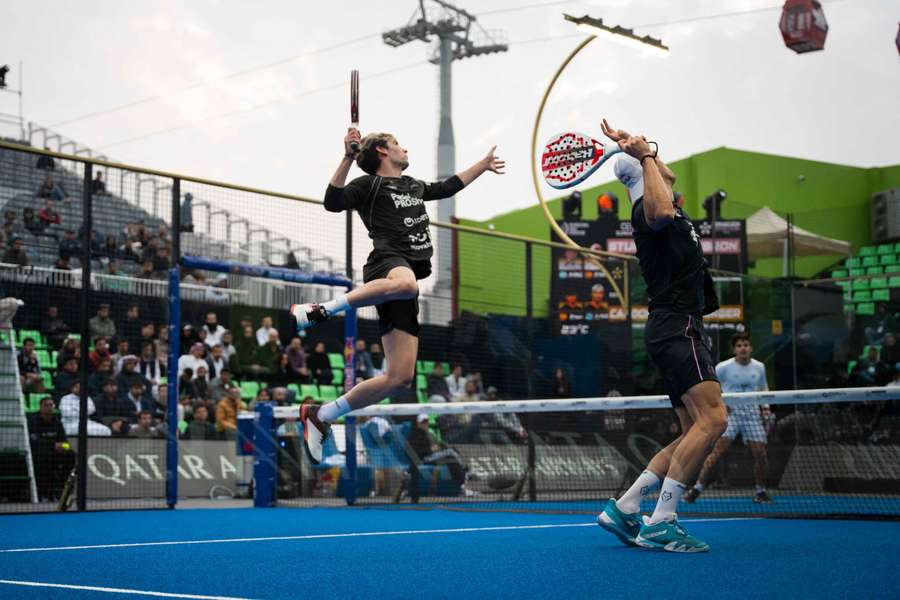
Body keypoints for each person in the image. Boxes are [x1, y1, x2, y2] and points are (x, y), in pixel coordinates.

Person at [288, 127, 504, 464]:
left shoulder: (413, 185)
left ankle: (322, 415)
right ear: (383, 153)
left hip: (407, 277)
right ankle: (322, 309)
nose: (405, 148)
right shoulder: (369, 185)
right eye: (398, 144)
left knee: (399, 377)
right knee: (406, 284)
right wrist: (348, 156)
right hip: (387, 265)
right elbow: (332, 202)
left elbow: (448, 186)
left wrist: (483, 164)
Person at [597, 119, 725, 553]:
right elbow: (660, 204)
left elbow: (665, 180)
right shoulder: (649, 213)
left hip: (675, 327)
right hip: (678, 325)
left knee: (692, 429)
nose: (662, 170)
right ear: (642, 177)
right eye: (654, 168)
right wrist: (643, 154)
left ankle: (627, 507)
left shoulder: (664, 198)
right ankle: (662, 521)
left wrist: (640, 150)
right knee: (714, 420)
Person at [685, 333, 772, 504]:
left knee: (761, 454)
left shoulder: (759, 367)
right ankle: (697, 489)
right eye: (739, 346)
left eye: (746, 345)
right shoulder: (722, 367)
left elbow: (764, 388)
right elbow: (713, 388)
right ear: (734, 349)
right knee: (716, 453)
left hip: (752, 417)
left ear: (750, 348)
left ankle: (760, 491)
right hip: (730, 416)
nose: (743, 348)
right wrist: (721, 404)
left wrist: (766, 408)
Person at [28, 397, 76, 501]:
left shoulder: (57, 422)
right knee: (44, 457)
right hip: (38, 453)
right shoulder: (33, 421)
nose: (49, 408)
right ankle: (45, 493)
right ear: (40, 407)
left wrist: (63, 447)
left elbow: (66, 443)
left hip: (56, 452)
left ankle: (62, 489)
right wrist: (53, 445)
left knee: (71, 455)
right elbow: (34, 441)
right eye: (46, 405)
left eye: (51, 405)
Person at [407, 413, 469, 493]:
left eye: (426, 421)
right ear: (418, 423)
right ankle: (465, 470)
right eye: (423, 422)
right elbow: (416, 452)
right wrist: (430, 449)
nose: (425, 424)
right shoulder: (414, 436)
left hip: (432, 455)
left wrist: (442, 446)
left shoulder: (428, 433)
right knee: (450, 453)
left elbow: (438, 444)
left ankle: (462, 483)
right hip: (424, 458)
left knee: (451, 455)